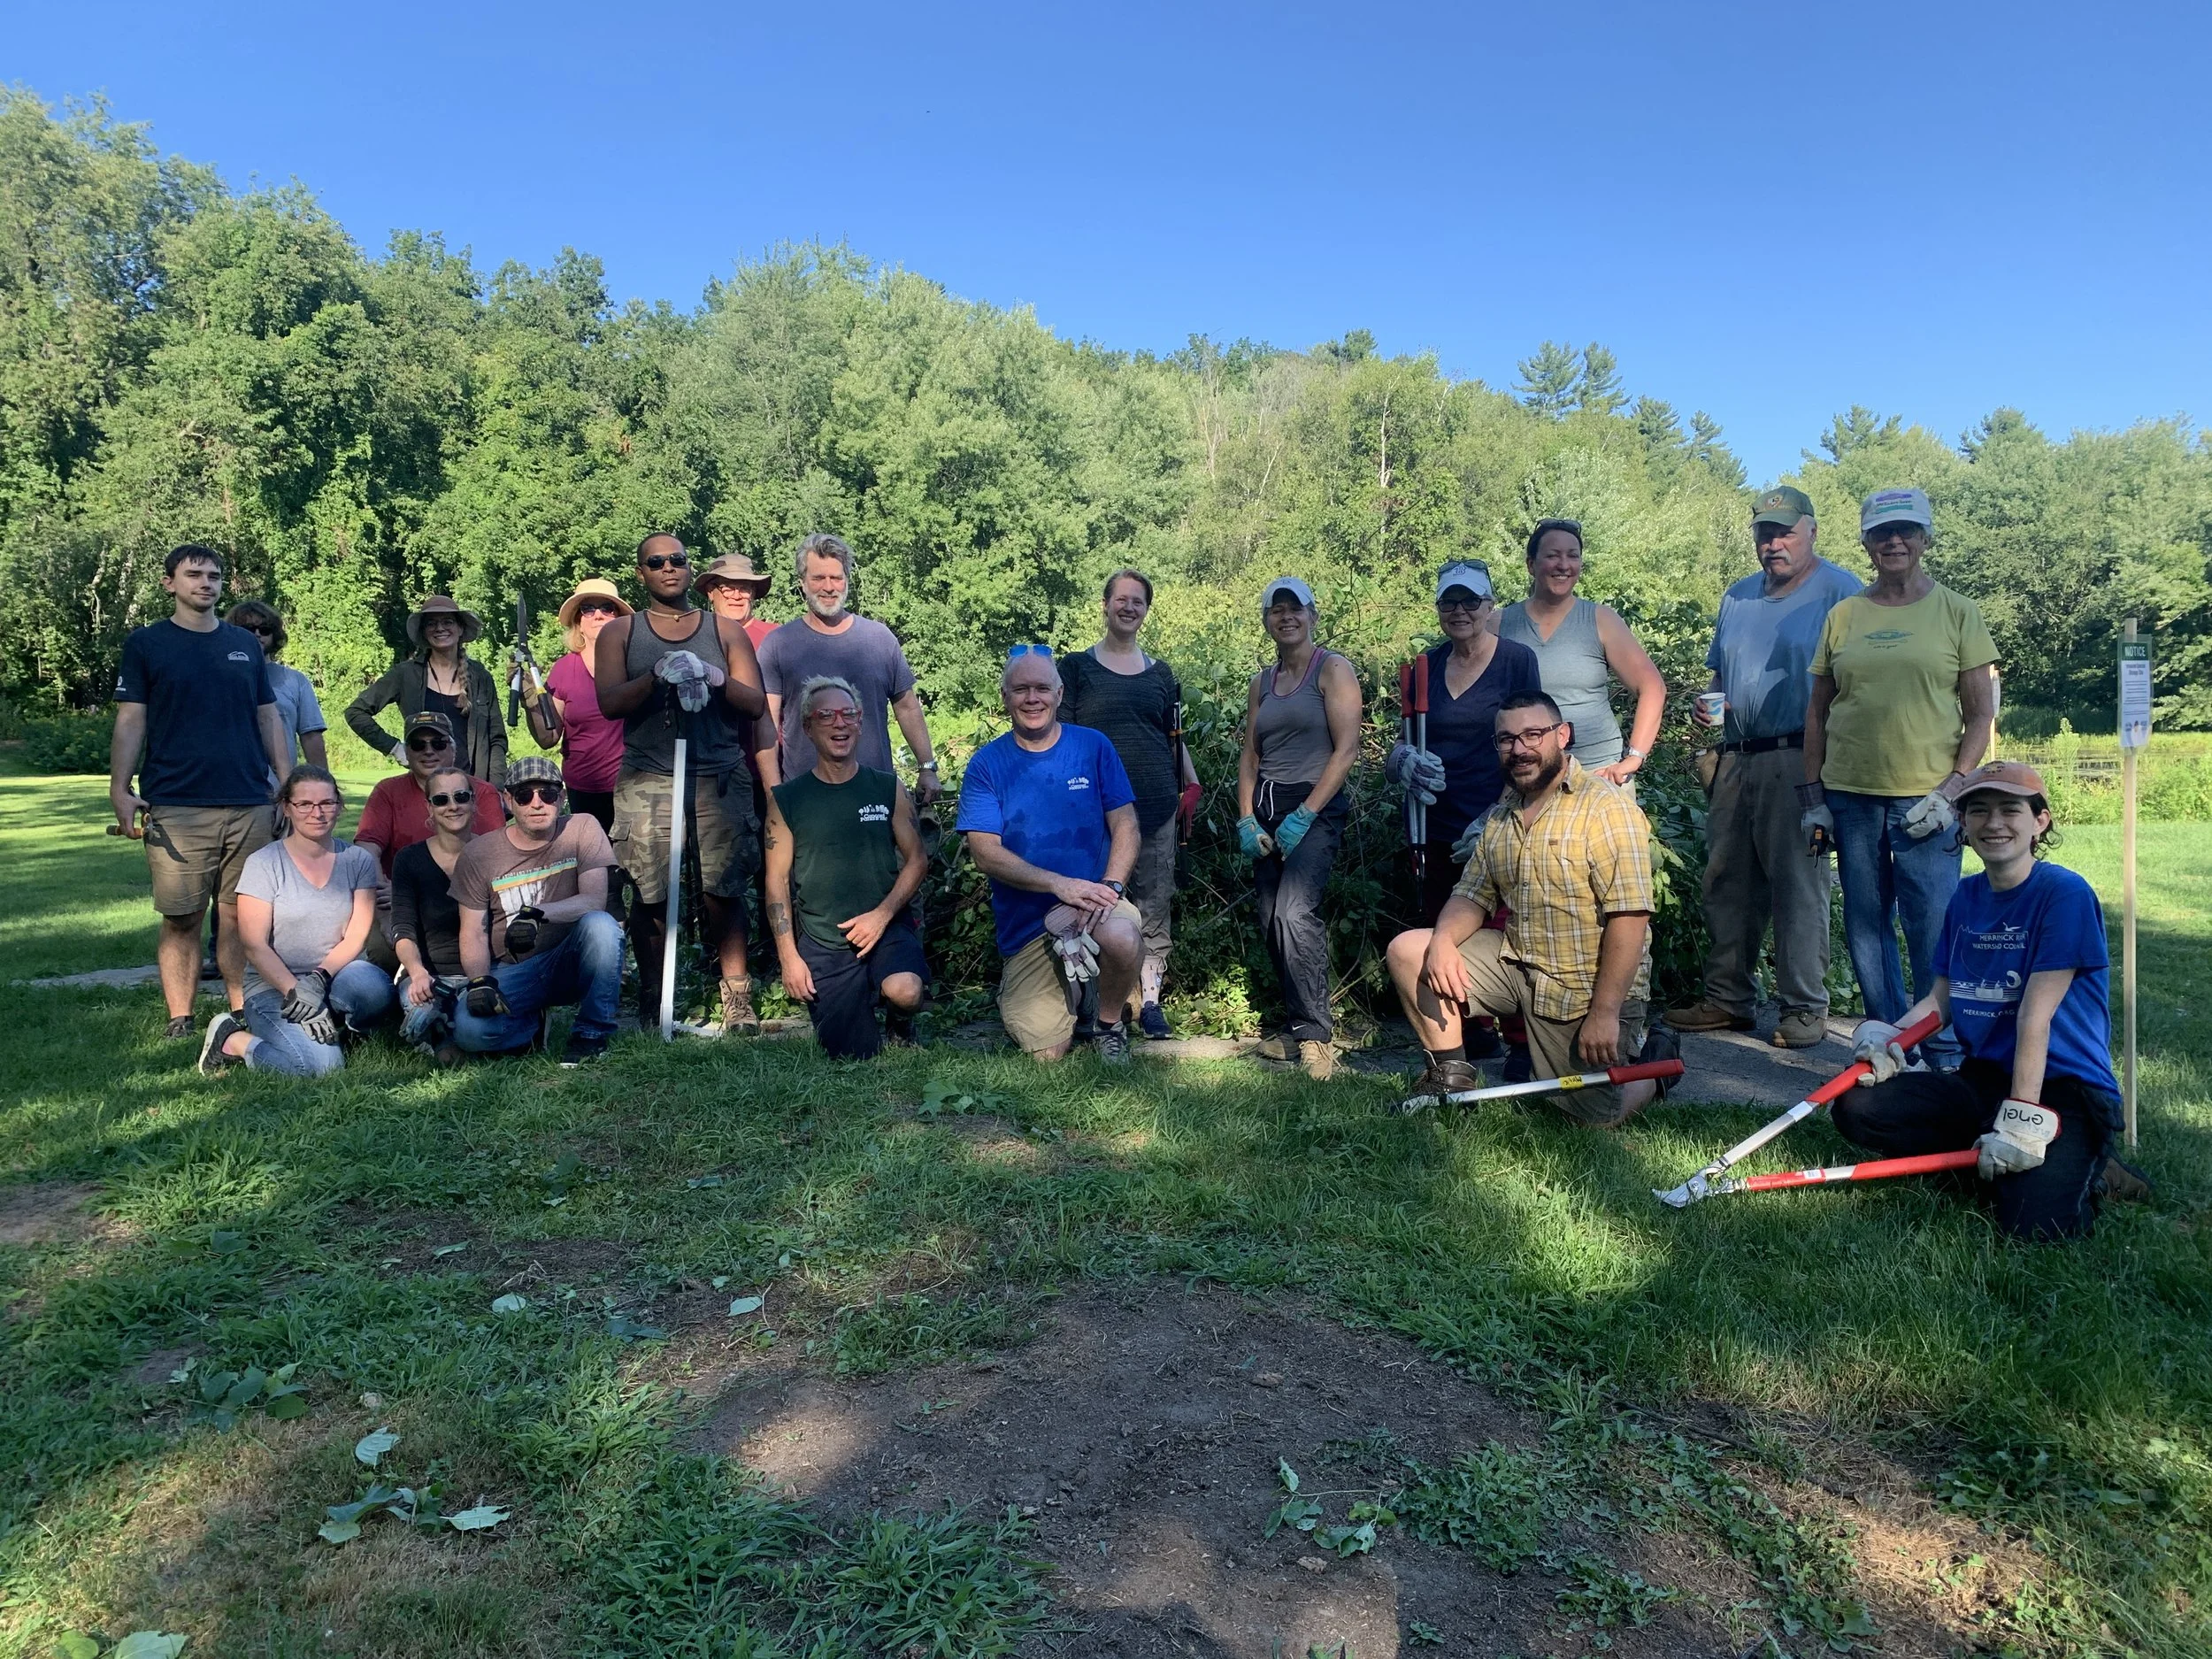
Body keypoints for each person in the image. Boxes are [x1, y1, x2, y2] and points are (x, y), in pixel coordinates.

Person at [1831, 762, 2145, 1239]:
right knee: (1858, 1108)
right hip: (1984, 1079)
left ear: (2040, 821)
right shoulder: (1966, 897)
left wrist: (2020, 1120)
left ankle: (2096, 1170)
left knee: (2034, 1229)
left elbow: (2034, 1021)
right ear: (1963, 823)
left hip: (2063, 1089)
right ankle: (1993, 1154)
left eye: (2009, 809)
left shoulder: (2064, 894)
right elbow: (1942, 999)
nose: (1993, 823)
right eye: (1978, 811)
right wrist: (1891, 1036)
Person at [1386, 692, 1671, 1125]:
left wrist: (1605, 1013)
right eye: (1507, 739)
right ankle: (1450, 1079)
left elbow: (1630, 918)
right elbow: (1471, 894)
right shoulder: (1502, 815)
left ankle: (1654, 1068)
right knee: (1411, 951)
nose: (1519, 749)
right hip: (1518, 964)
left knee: (1581, 1123)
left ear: (1563, 735)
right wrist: (1442, 940)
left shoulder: (1606, 809)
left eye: (1533, 734)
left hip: (1585, 990)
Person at [1803, 488, 1997, 1071]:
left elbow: (1980, 712)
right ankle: (1885, 1043)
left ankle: (1940, 1049)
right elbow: (1817, 710)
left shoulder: (1957, 612)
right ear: (1865, 541)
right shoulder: (1844, 615)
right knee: (1867, 921)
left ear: (1924, 538)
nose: (1894, 542)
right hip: (1852, 797)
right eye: (1882, 533)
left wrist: (1954, 788)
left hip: (1927, 801)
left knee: (1933, 925)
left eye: (1906, 531)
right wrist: (1813, 797)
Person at [1666, 488, 1863, 1050]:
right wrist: (1708, 703)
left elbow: (1857, 685)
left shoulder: (1841, 593)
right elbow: (1716, 680)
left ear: (1812, 532)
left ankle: (1804, 1008)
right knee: (1727, 883)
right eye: (1764, 533)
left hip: (1801, 757)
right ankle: (1728, 1000)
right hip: (1734, 756)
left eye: (1784, 532)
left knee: (1798, 885)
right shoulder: (1738, 597)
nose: (1773, 543)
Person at [110, 544, 289, 1040]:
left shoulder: (244, 645)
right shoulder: (147, 644)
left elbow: (267, 716)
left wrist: (287, 784)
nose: (205, 583)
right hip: (177, 802)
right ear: (170, 583)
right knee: (183, 916)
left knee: (239, 916)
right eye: (193, 575)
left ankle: (238, 1011)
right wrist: (120, 789)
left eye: (213, 575)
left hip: (250, 800)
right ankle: (181, 1018)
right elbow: (131, 719)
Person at [594, 533, 769, 1033]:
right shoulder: (622, 633)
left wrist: (713, 677)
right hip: (649, 773)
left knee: (724, 886)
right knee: (650, 891)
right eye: (656, 562)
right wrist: (656, 677)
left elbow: (754, 703)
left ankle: (736, 997)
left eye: (677, 560)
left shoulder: (723, 631)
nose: (668, 568)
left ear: (691, 569)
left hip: (718, 773)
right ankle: (656, 999)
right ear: (641, 573)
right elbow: (609, 702)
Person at [956, 648, 1144, 1064]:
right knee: (1047, 1053)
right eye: (1020, 689)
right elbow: (986, 855)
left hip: (1096, 909)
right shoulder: (986, 765)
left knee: (1121, 936)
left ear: (1059, 694)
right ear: (1004, 697)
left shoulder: (1093, 747)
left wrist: (1109, 888)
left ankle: (1109, 1025)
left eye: (1042, 688)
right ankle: (1076, 992)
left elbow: (1127, 825)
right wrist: (1061, 885)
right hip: (1029, 930)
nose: (1032, 698)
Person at [1058, 569, 1202, 1040]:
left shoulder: (1161, 674)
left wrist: (1191, 783)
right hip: (1094, 813)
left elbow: (1173, 735)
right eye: (1121, 599)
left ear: (1147, 609)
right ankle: (1104, 1005)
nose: (1128, 607)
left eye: (1138, 601)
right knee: (1101, 905)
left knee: (1155, 905)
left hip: (1157, 804)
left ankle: (1151, 1003)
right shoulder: (1076, 668)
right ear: (1105, 605)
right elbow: (1062, 739)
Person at [1236, 577, 1363, 1081]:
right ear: (1266, 619)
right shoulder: (1262, 681)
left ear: (1312, 615)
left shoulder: (1332, 670)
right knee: (1271, 919)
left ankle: (1316, 1038)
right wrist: (1246, 816)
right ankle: (1296, 1024)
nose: (1286, 617)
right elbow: (1251, 753)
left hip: (1315, 805)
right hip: (1266, 806)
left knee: (1294, 913)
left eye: (1295, 609)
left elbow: (1347, 748)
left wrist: (1307, 813)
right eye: (1276, 609)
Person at [764, 677, 931, 1058]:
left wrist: (883, 915)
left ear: (860, 723)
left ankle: (900, 1021)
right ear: (807, 727)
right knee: (851, 1055)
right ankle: (855, 1006)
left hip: (887, 926)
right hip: (825, 939)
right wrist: (790, 958)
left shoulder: (887, 788)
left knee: (905, 990)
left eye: (849, 715)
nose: (839, 724)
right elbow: (776, 882)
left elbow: (917, 860)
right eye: (826, 716)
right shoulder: (787, 800)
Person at [196, 767, 396, 1077]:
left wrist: (318, 979)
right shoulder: (264, 863)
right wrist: (296, 991)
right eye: (305, 804)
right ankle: (232, 1039)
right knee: (320, 1069)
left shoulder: (357, 861)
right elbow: (254, 944)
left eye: (326, 803)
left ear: (339, 806)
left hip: (335, 976)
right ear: (287, 808)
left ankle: (344, 1029)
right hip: (274, 986)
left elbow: (356, 935)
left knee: (374, 988)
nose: (317, 813)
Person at [1385, 560, 1541, 922]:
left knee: (1493, 934)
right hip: (1432, 828)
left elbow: (1531, 745)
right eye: (1449, 602)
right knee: (1438, 932)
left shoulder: (1516, 661)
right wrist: (1401, 761)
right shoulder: (1427, 667)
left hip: (1494, 824)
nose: (1460, 611)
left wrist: (1495, 817)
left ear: (1490, 606)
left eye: (1471, 601)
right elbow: (1400, 743)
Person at [449, 757, 622, 1065]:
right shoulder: (479, 854)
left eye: (548, 794)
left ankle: (591, 1033)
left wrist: (537, 913)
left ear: (563, 798)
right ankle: (533, 1025)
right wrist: (479, 981)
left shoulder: (582, 827)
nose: (537, 803)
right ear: (508, 800)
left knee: (602, 926)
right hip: (516, 968)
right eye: (524, 795)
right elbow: (474, 930)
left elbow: (594, 899)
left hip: (572, 958)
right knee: (470, 1031)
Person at [755, 534, 941, 806]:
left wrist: (927, 768)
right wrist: (775, 796)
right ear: (802, 584)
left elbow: (908, 708)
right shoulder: (779, 644)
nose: (829, 587)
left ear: (847, 582)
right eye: (818, 578)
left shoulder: (879, 639)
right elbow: (766, 724)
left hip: (875, 797)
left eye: (837, 578)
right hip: (806, 799)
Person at [1497, 519, 1665, 787]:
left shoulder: (1601, 620)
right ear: (1531, 565)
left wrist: (1634, 757)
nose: (1563, 565)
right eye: (1553, 556)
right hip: (1527, 780)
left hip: (1598, 776)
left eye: (1572, 556)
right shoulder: (1499, 624)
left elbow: (1652, 687)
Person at [352, 711, 507, 961]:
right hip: (400, 901)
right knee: (383, 952)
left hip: (470, 899)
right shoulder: (387, 791)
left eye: (438, 743)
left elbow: (496, 854)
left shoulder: (482, 791)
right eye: (417, 745)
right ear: (407, 752)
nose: (428, 751)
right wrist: (396, 898)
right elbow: (366, 851)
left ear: (453, 749)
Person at [346, 595, 509, 787]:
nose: (440, 628)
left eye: (447, 622)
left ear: (460, 629)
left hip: (473, 787)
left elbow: (496, 738)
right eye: (432, 624)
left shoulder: (480, 676)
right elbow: (355, 712)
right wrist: (396, 748)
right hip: (424, 789)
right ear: (424, 632)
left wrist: (496, 789)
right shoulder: (406, 674)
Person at [525, 579, 632, 832]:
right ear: (578, 623)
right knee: (593, 862)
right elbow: (548, 737)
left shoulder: (636, 664)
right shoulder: (564, 669)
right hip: (584, 788)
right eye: (588, 609)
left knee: (631, 866)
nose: (598, 615)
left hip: (633, 786)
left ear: (619, 619)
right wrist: (530, 700)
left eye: (607, 608)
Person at [390, 765, 480, 1059]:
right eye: (441, 800)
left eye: (461, 796)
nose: (452, 806)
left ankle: (448, 1029)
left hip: (480, 974)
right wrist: (417, 973)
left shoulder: (490, 853)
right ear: (429, 806)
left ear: (473, 801)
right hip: (429, 976)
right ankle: (440, 1029)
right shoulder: (409, 859)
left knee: (477, 1026)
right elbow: (403, 929)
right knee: (418, 1005)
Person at [226, 601, 327, 778]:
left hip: (279, 784)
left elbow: (311, 736)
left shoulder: (295, 680)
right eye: (248, 629)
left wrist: (323, 784)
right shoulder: (217, 676)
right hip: (228, 781)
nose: (257, 634)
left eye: (265, 629)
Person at [697, 552, 778, 651]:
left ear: (753, 593)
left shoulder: (776, 637)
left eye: (744, 588)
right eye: (728, 589)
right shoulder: (697, 638)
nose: (737, 596)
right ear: (710, 592)